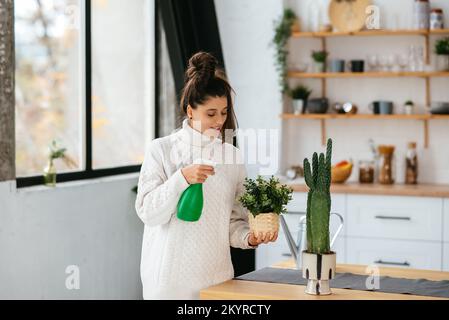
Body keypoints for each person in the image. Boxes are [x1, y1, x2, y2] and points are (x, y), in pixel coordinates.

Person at [135, 51, 277, 299]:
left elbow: (233, 221)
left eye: (223, 112)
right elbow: (147, 211)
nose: (220, 120)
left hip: (217, 281)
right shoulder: (162, 150)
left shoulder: (231, 156)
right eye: (211, 113)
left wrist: (249, 237)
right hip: (169, 285)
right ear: (190, 111)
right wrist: (181, 178)